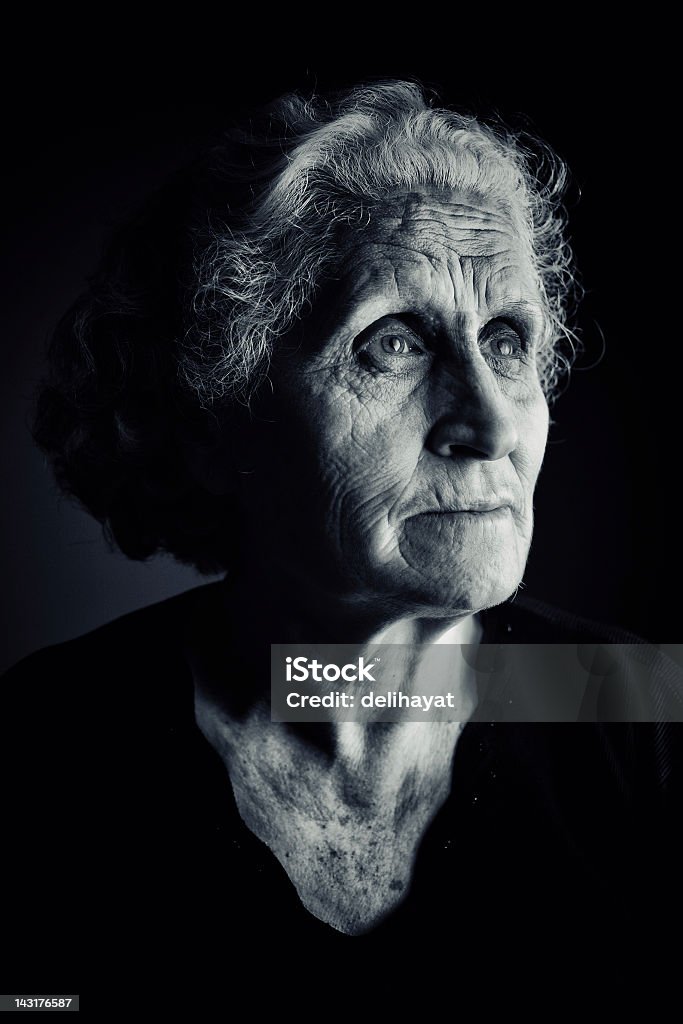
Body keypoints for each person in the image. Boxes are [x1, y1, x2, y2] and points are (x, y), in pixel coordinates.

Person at [2, 80, 681, 991]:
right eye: (393, 342)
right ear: (208, 419)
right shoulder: (50, 745)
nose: (486, 423)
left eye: (508, 341)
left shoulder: (628, 709)